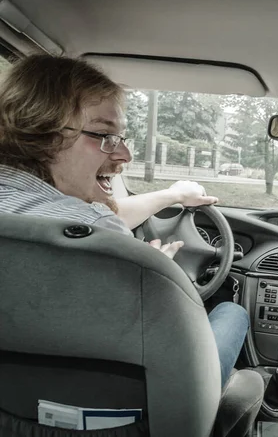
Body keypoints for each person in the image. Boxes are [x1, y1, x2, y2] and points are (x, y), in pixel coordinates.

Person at [0, 54, 248, 388]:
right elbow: (157, 333)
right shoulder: (100, 232)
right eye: (104, 135)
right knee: (232, 314)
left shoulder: (75, 222)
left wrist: (172, 194)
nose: (124, 155)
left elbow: (89, 215)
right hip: (120, 406)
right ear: (42, 134)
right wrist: (154, 272)